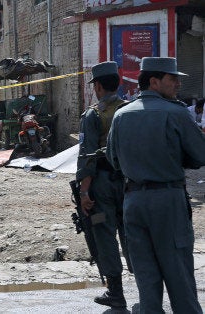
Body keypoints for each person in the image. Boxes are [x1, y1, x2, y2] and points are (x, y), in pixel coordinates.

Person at [107, 57, 205, 313]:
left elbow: (113, 160)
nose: (178, 84)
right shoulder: (176, 113)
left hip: (134, 202)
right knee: (180, 279)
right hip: (167, 200)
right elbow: (200, 155)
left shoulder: (121, 115)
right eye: (173, 79)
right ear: (154, 81)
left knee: (146, 283)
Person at [77, 61, 130, 309]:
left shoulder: (93, 115)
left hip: (102, 187)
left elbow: (87, 157)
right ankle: (147, 285)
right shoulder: (130, 110)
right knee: (131, 233)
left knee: (104, 234)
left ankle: (116, 292)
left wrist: (84, 191)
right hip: (129, 185)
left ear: (97, 86)